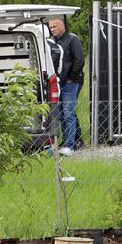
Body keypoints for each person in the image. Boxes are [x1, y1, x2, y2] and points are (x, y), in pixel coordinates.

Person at [48, 18, 85, 156]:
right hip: (59, 82)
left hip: (72, 81)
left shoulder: (72, 39)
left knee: (68, 112)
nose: (52, 29)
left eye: (55, 26)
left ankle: (70, 145)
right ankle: (74, 140)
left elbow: (79, 60)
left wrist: (71, 78)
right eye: (50, 27)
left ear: (62, 25)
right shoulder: (52, 41)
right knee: (63, 112)